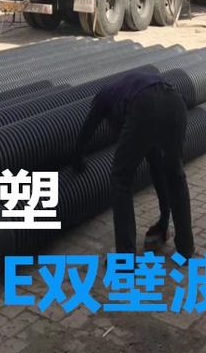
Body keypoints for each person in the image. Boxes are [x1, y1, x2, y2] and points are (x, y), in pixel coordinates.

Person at [73, 70, 195, 258]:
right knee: (174, 175)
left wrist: (78, 159)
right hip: (175, 102)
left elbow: (87, 130)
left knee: (121, 178)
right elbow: (156, 169)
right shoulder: (127, 90)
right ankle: (185, 249)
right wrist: (162, 223)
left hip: (146, 105)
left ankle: (125, 260)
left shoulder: (104, 97)